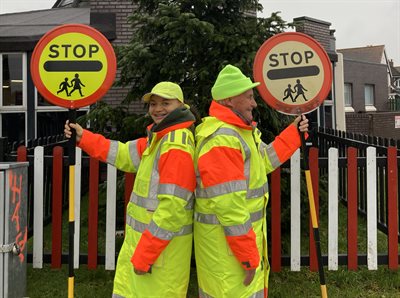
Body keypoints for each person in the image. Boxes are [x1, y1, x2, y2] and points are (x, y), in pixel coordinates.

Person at [64, 82, 196, 298]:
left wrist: (145, 255)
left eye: (165, 103)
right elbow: (123, 153)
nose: (157, 109)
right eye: (153, 104)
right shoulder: (159, 139)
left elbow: (172, 210)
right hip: (150, 254)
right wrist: (83, 138)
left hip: (157, 259)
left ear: (181, 105)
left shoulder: (175, 145)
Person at [194, 64, 309, 298]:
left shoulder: (239, 132)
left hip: (234, 248)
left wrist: (294, 133)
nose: (254, 103)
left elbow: (264, 161)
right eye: (248, 97)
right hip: (229, 253)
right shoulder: (222, 140)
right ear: (228, 101)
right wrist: (247, 256)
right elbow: (230, 208)